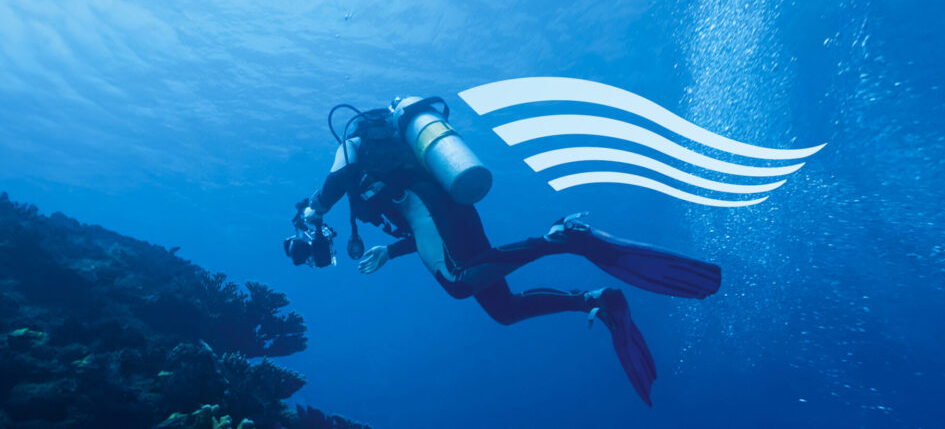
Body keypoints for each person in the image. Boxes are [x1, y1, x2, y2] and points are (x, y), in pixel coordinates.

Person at [292, 97, 721, 406]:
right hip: (452, 213)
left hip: (435, 210)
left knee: (460, 284)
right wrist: (390, 251)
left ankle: (564, 239)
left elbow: (339, 180)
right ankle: (596, 301)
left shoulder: (351, 146)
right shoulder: (379, 171)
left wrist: (313, 211)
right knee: (504, 310)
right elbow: (420, 227)